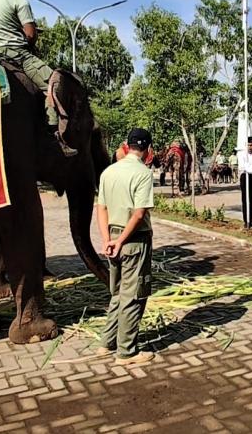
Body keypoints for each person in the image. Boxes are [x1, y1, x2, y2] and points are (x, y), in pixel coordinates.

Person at [0, 0, 76, 156]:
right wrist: (31, 36)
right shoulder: (19, 0)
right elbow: (30, 36)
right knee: (54, 84)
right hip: (17, 54)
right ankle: (53, 136)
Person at [96, 128, 156, 365]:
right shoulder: (143, 174)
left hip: (111, 237)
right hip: (134, 240)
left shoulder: (109, 172)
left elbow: (101, 208)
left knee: (118, 293)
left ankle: (106, 343)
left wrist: (108, 240)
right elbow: (139, 213)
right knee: (133, 295)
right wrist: (122, 241)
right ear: (148, 150)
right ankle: (127, 352)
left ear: (126, 145)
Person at [238, 139, 252, 228]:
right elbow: (243, 167)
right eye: (249, 145)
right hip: (245, 176)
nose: (250, 147)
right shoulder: (242, 154)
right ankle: (246, 220)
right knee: (245, 199)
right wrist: (251, 167)